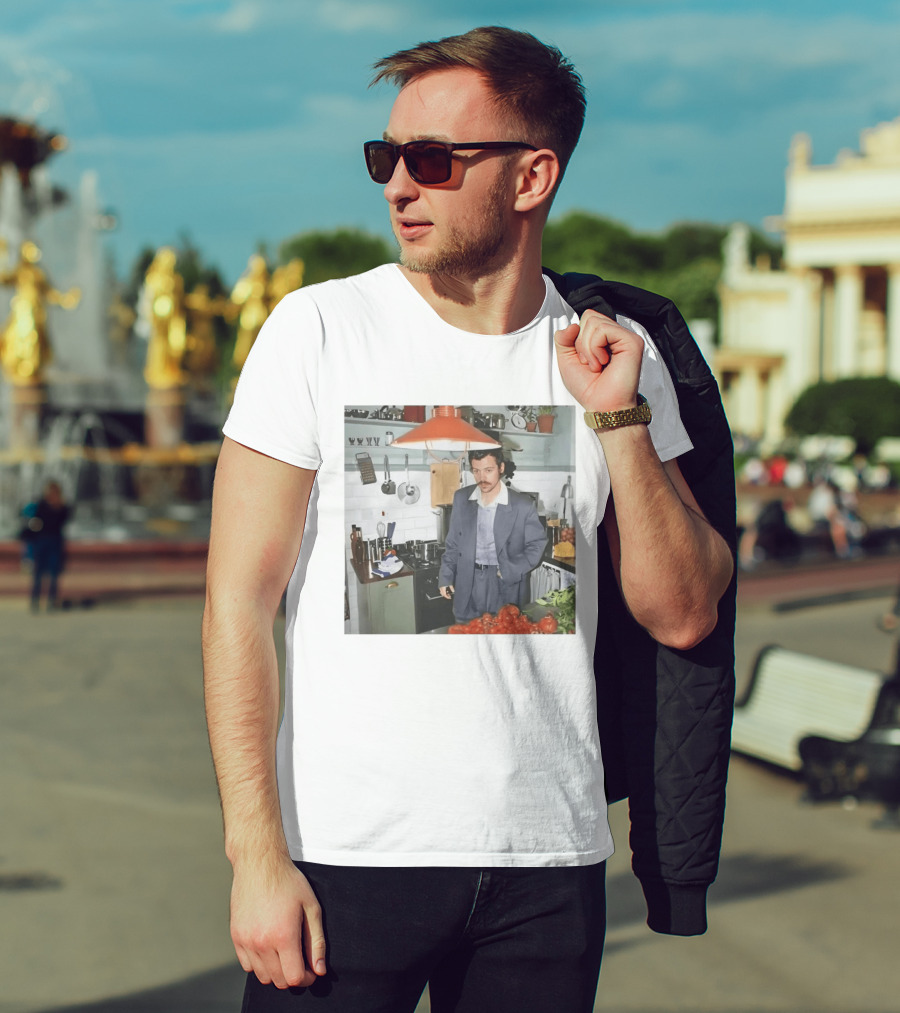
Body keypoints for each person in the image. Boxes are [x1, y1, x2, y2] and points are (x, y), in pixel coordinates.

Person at [202, 26, 734, 1013]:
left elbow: (685, 610)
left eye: (433, 160)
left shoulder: (617, 356)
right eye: (385, 157)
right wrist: (255, 854)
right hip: (344, 862)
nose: (399, 185)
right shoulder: (318, 329)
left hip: (548, 864)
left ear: (532, 176)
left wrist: (618, 416)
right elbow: (239, 605)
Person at [438, 448, 546, 621]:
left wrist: (510, 570)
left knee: (504, 638)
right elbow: (453, 543)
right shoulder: (461, 498)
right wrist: (445, 576)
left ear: (501, 468)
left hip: (505, 584)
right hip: (468, 581)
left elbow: (537, 544)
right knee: (468, 636)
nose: (482, 477)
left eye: (488, 470)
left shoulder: (522, 505)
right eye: (476, 471)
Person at [23, 480, 70, 611]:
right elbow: (31, 518)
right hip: (41, 541)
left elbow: (63, 520)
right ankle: (35, 600)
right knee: (38, 572)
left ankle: (51, 600)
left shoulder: (62, 507)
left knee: (54, 573)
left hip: (55, 541)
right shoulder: (40, 505)